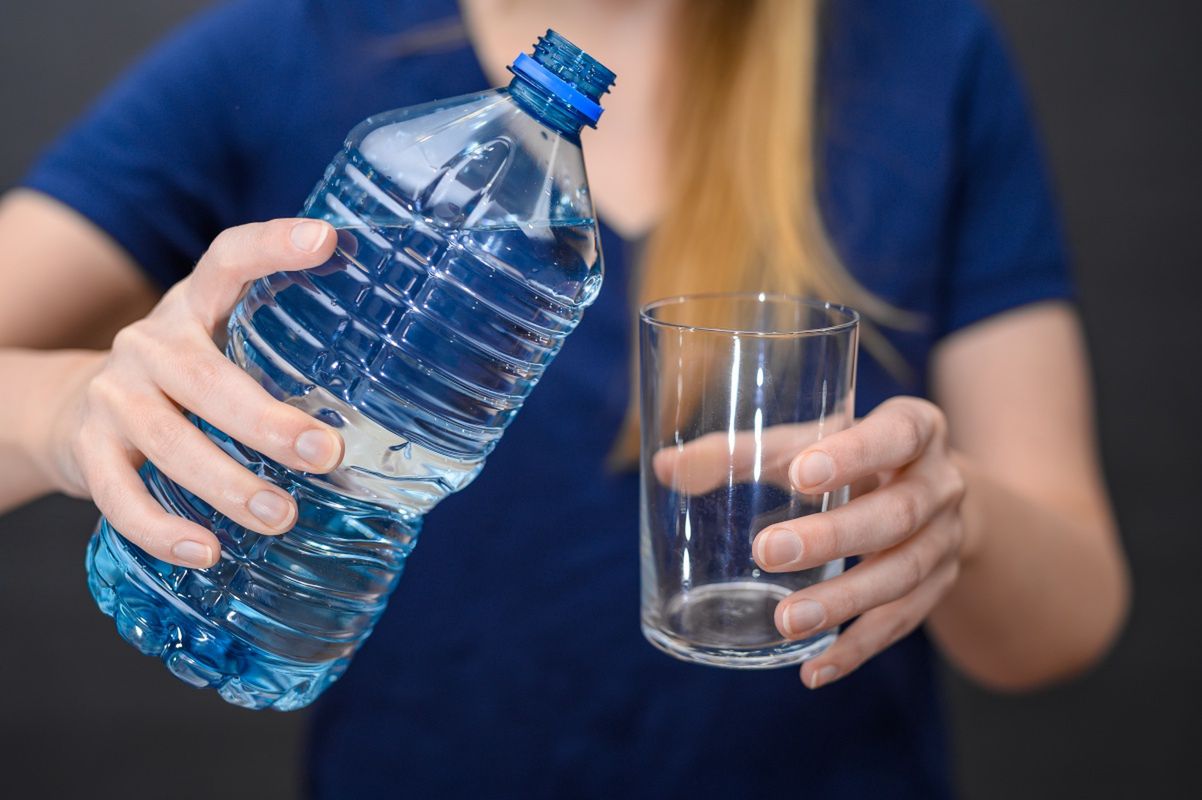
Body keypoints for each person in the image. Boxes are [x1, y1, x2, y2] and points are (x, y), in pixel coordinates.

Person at [0, 0, 1129, 796]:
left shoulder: (925, 55)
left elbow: (1071, 617)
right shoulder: (296, 47)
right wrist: (67, 410)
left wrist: (954, 511)